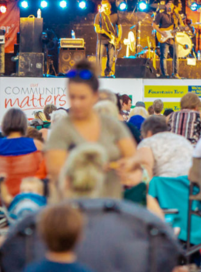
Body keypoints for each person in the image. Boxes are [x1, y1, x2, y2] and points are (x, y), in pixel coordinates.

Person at [45, 60, 137, 199]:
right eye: (72, 97)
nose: (76, 103)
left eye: (82, 97)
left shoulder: (112, 126)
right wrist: (95, 168)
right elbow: (56, 172)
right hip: (72, 210)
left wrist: (126, 166)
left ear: (95, 96)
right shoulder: (61, 129)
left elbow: (133, 160)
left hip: (109, 206)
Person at [93, 0, 118, 78]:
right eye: (104, 7)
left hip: (112, 40)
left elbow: (119, 27)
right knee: (99, 56)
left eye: (107, 7)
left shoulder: (115, 15)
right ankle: (98, 74)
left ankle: (108, 72)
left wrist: (118, 38)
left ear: (110, 6)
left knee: (111, 58)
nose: (106, 8)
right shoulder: (99, 15)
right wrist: (101, 31)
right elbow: (96, 29)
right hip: (102, 40)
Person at [153, 2, 177, 78]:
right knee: (163, 57)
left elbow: (179, 26)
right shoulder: (161, 14)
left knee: (175, 56)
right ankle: (164, 75)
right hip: (164, 38)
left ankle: (175, 74)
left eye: (172, 4)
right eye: (169, 4)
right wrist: (161, 32)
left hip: (172, 38)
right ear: (166, 5)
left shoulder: (175, 16)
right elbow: (153, 25)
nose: (170, 6)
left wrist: (183, 28)